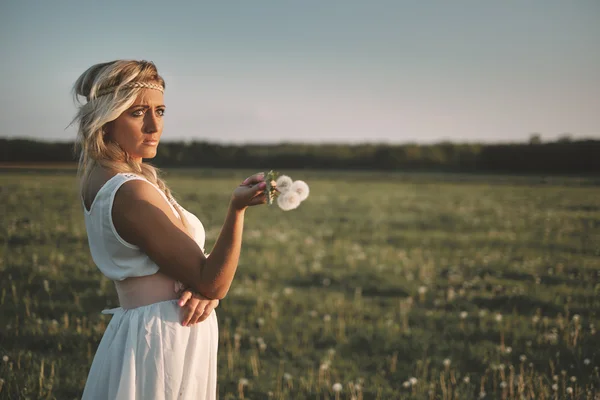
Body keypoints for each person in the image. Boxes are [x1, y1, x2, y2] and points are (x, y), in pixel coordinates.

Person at [72, 60, 268, 399]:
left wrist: (201, 286)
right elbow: (213, 281)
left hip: (163, 329)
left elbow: (195, 274)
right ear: (105, 119)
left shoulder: (111, 176)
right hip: (162, 339)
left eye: (160, 111)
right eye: (136, 113)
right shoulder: (129, 190)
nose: (154, 126)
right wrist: (236, 210)